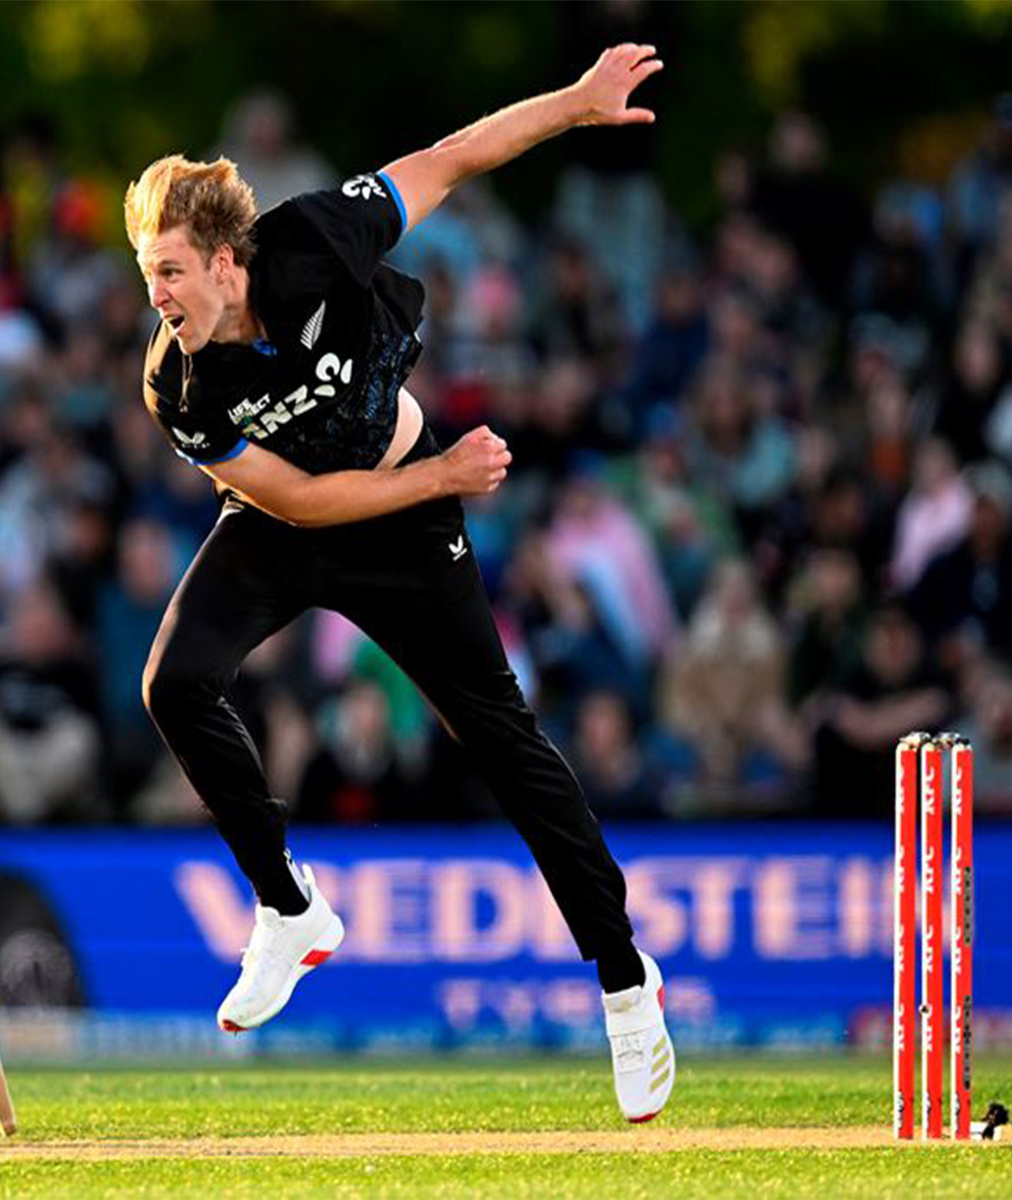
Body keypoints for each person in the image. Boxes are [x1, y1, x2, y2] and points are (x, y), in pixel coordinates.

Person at [126, 45, 674, 1122]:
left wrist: (575, 104)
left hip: (405, 528)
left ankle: (625, 983)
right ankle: (289, 908)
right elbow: (296, 500)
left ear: (228, 262)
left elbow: (452, 157)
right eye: (148, 275)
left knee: (505, 742)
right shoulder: (174, 380)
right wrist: (447, 474)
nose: (158, 296)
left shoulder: (314, 237)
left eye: (172, 272)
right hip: (296, 517)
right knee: (173, 684)